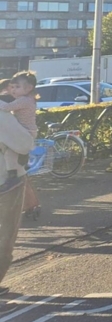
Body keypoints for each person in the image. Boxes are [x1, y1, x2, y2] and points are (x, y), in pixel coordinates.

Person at [0, 78, 39, 219]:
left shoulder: (22, 100)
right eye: (11, 87)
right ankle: (31, 207)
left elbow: (5, 109)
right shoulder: (24, 99)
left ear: (28, 88)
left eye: (16, 87)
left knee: (17, 174)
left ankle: (30, 207)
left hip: (22, 135)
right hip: (21, 135)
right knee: (21, 175)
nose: (12, 90)